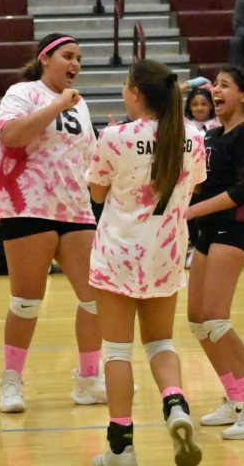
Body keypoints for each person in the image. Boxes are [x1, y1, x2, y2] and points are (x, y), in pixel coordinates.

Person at [88, 60, 206, 466]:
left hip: (119, 252)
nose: (123, 91)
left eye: (125, 85)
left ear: (136, 93)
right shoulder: (193, 136)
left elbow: (98, 194)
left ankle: (121, 447)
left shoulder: (115, 137)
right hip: (167, 252)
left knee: (117, 351)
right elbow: (195, 186)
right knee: (160, 343)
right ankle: (175, 404)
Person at [0, 33, 104, 414]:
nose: (75, 64)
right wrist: (55, 106)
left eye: (80, 59)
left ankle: (88, 380)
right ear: (45, 59)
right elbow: (11, 136)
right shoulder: (23, 92)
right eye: (68, 56)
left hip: (75, 208)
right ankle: (11, 381)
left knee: (95, 298)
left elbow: (87, 158)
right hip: (27, 206)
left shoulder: (80, 105)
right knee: (26, 301)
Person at [186, 65, 244, 441]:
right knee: (197, 320)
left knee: (216, 319)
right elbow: (198, 183)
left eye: (225, 86)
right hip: (208, 230)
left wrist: (188, 212)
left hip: (234, 228)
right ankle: (234, 396)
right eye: (214, 86)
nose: (215, 91)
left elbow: (242, 190)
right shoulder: (210, 135)